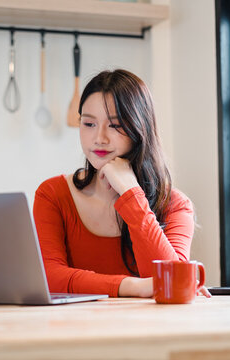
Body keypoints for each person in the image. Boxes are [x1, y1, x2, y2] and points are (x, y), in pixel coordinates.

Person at [33, 69, 209, 298]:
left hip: (150, 332)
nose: (99, 138)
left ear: (140, 128)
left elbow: (171, 281)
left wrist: (131, 194)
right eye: (88, 124)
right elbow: (50, 278)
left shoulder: (175, 204)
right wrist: (135, 286)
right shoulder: (53, 194)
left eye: (115, 126)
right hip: (73, 331)